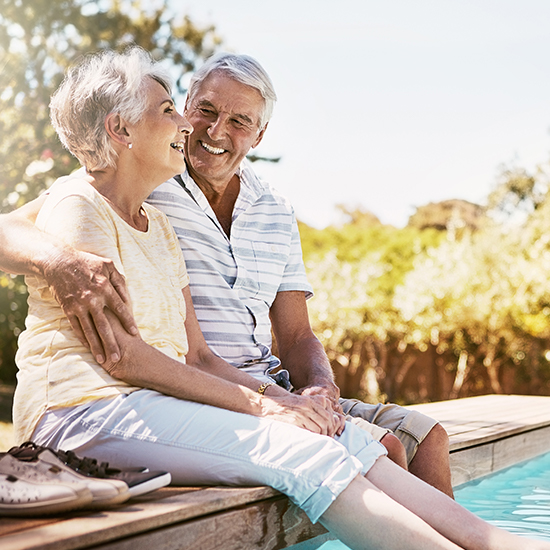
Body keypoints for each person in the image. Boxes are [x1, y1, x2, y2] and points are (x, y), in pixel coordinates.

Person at [9, 45, 549, 550]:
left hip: (175, 394)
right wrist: (266, 407)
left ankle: (500, 543)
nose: (194, 126)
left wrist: (299, 398)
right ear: (121, 129)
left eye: (236, 120)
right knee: (305, 450)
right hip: (89, 409)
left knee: (357, 441)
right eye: (179, 109)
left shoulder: (166, 224)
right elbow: (123, 356)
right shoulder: (85, 199)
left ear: (259, 135)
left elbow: (206, 353)